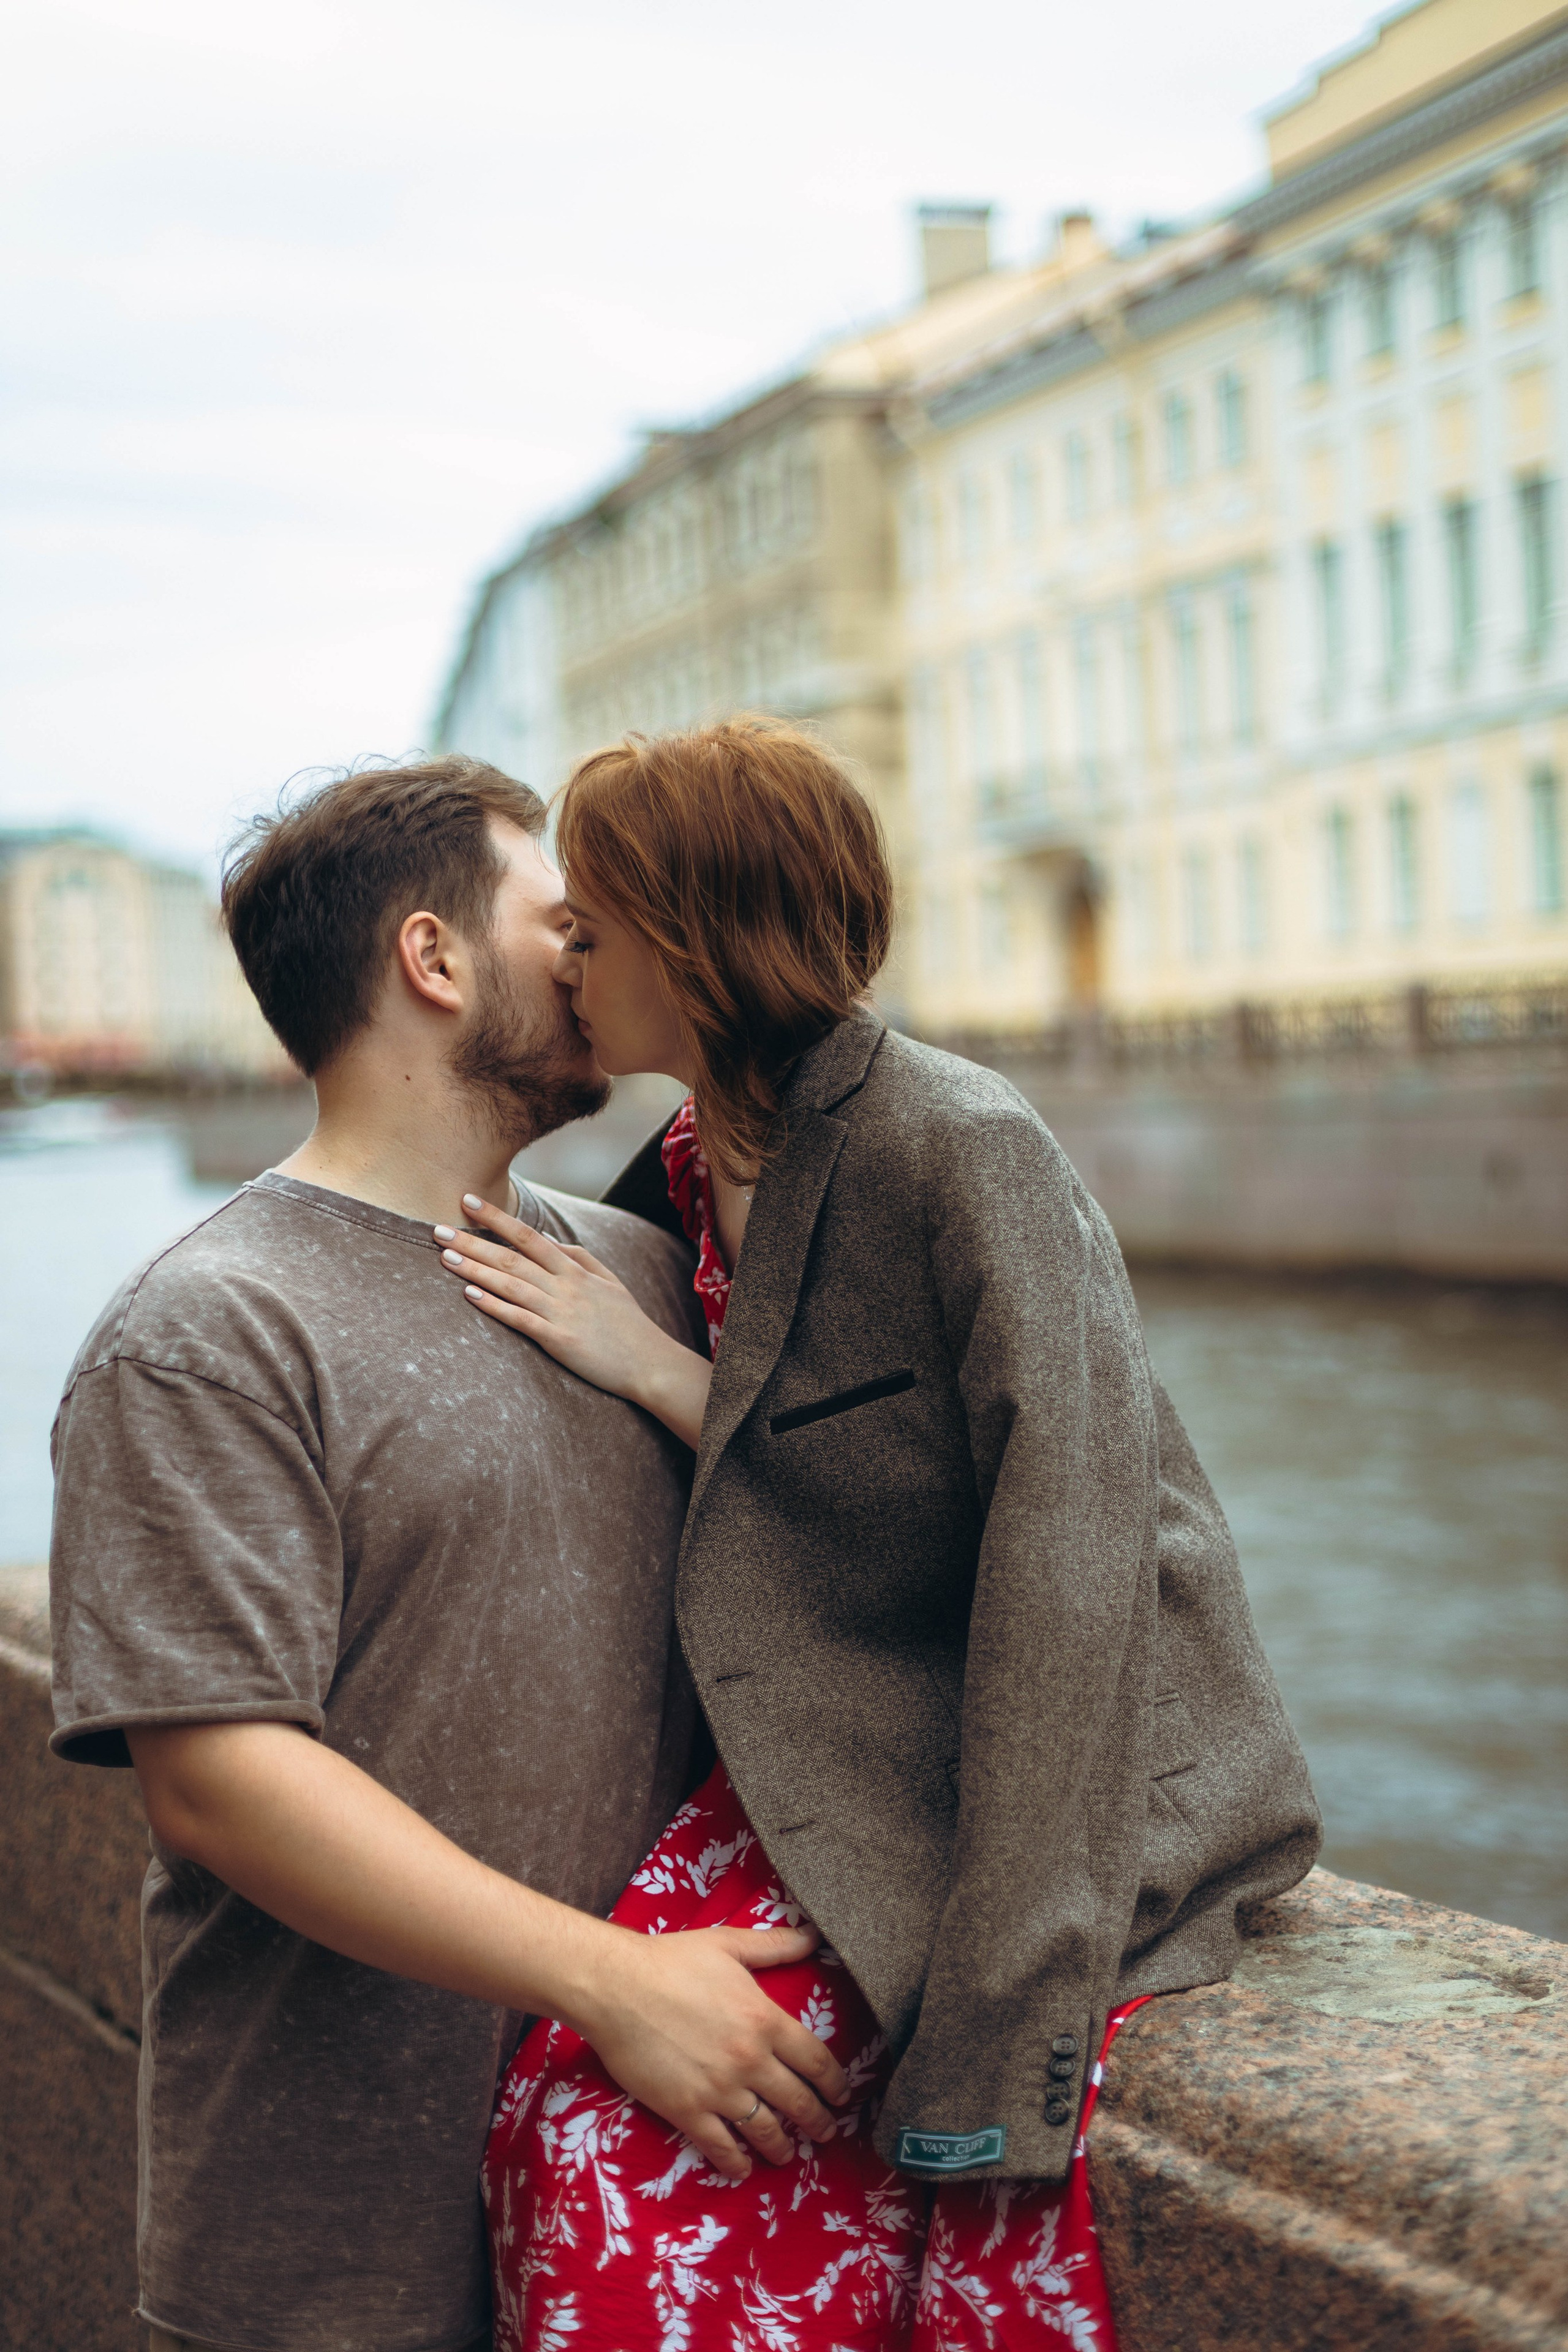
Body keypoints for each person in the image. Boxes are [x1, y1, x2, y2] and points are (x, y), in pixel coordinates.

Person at [441, 717, 1324, 2352]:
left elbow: (1072, 1562)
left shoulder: (958, 1144)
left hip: (1033, 1777)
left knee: (634, 2164)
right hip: (824, 1735)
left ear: (696, 942)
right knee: (558, 2111)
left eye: (592, 922)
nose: (565, 956)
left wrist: (1001, 2032)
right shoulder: (689, 1161)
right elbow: (827, 1467)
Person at [47, 756, 850, 2352]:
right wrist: (619, 1987)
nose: (594, 953)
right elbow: (218, 1781)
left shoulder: (633, 1268)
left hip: (652, 2207)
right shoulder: (208, 1333)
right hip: (332, 2242)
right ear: (433, 961)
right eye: (560, 922)